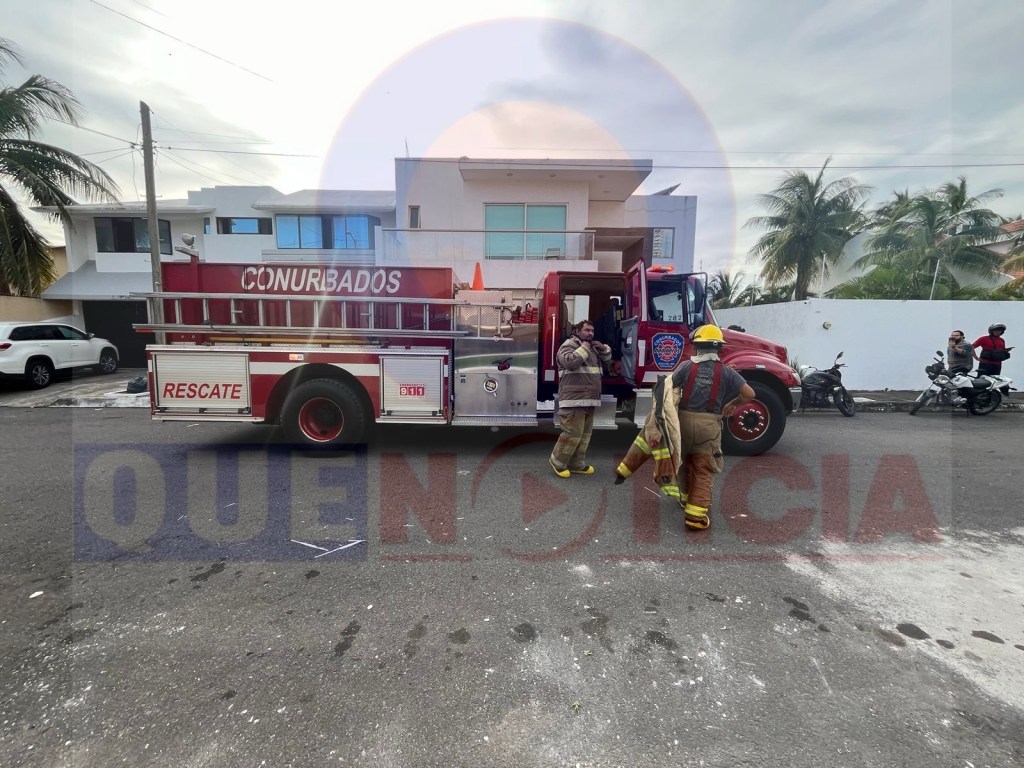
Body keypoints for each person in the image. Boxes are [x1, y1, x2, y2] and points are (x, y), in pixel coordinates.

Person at [615, 325, 754, 531]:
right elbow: (750, 394)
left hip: (683, 423)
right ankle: (695, 517)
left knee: (684, 461)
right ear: (718, 348)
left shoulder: (686, 367)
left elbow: (666, 389)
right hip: (709, 427)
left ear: (697, 346)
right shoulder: (727, 372)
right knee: (703, 468)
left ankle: (685, 497)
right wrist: (733, 404)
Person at [549, 319, 612, 478]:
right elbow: (570, 362)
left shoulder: (592, 348)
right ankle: (558, 462)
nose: (590, 333)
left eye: (592, 330)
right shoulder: (568, 345)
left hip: (589, 399)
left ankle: (576, 464)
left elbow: (608, 361)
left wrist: (604, 348)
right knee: (572, 434)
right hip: (574, 399)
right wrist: (584, 348)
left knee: (584, 435)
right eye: (587, 330)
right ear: (577, 331)